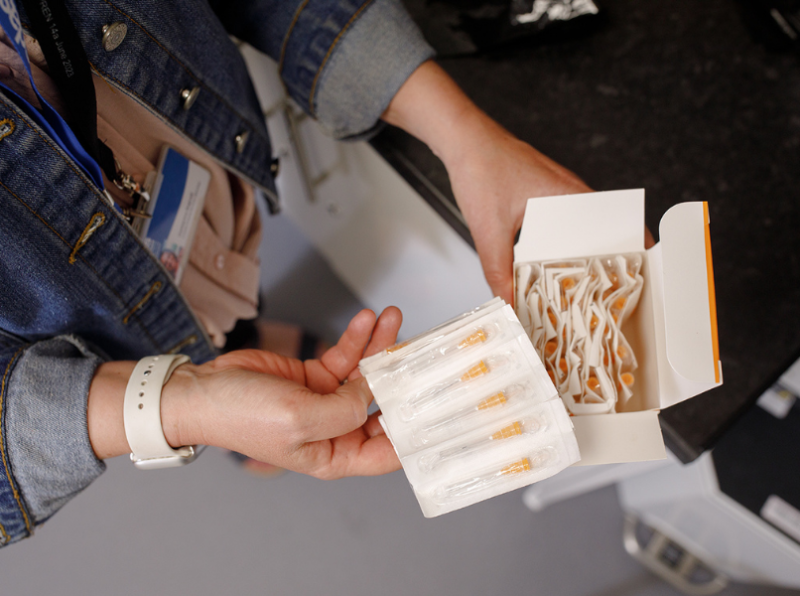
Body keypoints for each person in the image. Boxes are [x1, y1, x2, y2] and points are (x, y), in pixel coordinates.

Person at [0, 0, 589, 547]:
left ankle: (241, 338)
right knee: (184, 344)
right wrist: (185, 404)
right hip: (99, 334)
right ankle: (220, 361)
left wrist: (464, 137)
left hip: (201, 184)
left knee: (229, 289)